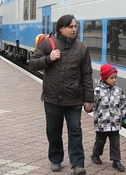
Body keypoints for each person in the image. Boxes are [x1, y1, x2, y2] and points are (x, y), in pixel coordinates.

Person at [29, 14, 94, 175]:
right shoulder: (47, 43)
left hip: (73, 100)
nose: (74, 29)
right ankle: (56, 159)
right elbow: (32, 63)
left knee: (75, 131)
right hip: (52, 98)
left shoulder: (81, 48)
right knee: (53, 131)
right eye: (70, 26)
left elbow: (87, 75)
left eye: (75, 26)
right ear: (61, 28)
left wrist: (89, 99)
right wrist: (48, 58)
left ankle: (77, 164)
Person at [90, 64, 126, 172]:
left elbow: (122, 105)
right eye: (111, 78)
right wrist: (88, 106)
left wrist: (125, 116)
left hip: (115, 123)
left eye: (115, 77)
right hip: (102, 123)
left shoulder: (119, 91)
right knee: (100, 141)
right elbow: (94, 105)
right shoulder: (97, 91)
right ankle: (95, 155)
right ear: (104, 78)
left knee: (115, 142)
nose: (114, 80)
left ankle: (116, 161)